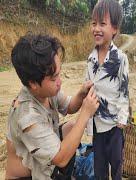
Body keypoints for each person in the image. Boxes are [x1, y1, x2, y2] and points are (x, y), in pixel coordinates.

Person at [5, 34, 99, 179]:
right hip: (29, 176)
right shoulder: (27, 117)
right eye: (54, 78)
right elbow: (60, 159)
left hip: (42, 160)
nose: (59, 82)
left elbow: (68, 107)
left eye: (58, 74)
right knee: (68, 151)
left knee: (73, 127)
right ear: (33, 83)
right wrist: (85, 114)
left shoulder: (45, 91)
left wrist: (81, 95)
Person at [85, 0, 129, 179]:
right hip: (97, 125)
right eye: (94, 23)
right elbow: (87, 88)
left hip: (114, 125)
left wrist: (122, 117)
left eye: (102, 24)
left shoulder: (120, 58)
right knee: (99, 167)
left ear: (115, 29)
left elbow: (124, 90)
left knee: (117, 165)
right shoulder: (90, 59)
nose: (96, 28)